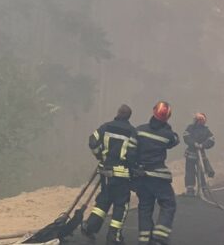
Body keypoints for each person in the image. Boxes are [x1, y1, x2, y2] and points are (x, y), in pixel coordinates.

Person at [83, 104, 138, 243]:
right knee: (121, 204)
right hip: (122, 174)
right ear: (129, 117)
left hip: (106, 171)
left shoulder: (106, 126)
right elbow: (133, 154)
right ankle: (114, 236)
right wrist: (134, 171)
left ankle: (90, 226)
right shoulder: (132, 132)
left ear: (118, 113)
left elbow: (92, 141)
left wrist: (100, 156)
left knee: (104, 199)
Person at [133, 101, 180, 245]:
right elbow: (175, 141)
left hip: (140, 176)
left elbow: (131, 151)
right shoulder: (167, 134)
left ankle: (144, 239)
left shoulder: (139, 130)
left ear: (153, 111)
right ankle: (160, 235)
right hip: (158, 176)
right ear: (168, 117)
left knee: (145, 206)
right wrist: (167, 126)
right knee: (168, 203)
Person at [182, 113, 215, 196]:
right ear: (195, 120)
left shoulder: (206, 130)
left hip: (201, 154)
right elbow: (186, 136)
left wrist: (203, 145)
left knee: (202, 171)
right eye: (198, 119)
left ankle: (204, 187)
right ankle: (190, 189)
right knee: (190, 171)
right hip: (191, 154)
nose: (200, 121)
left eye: (202, 119)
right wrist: (194, 143)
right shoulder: (190, 128)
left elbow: (211, 140)